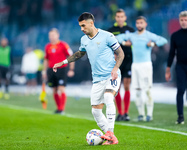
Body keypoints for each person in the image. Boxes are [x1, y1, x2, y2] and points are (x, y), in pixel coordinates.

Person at [53, 12, 124, 145]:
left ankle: (110, 132)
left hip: (111, 75)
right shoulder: (84, 39)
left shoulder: (107, 36)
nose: (82, 29)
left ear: (91, 23)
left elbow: (120, 53)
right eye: (80, 26)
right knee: (95, 111)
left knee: (108, 97)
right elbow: (80, 53)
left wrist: (115, 69)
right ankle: (111, 138)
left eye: (83, 26)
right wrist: (63, 62)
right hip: (97, 79)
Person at [116, 16, 167, 122]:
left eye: (141, 23)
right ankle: (141, 114)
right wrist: (125, 43)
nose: (139, 25)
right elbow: (119, 38)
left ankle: (149, 114)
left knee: (147, 89)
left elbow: (163, 40)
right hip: (135, 65)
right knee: (138, 90)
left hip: (146, 65)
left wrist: (153, 44)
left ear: (145, 24)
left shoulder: (149, 35)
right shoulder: (132, 36)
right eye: (138, 23)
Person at [165, 11, 187, 124]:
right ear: (179, 21)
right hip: (181, 66)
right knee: (180, 90)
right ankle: (180, 116)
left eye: (186, 20)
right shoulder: (175, 36)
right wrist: (168, 69)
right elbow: (171, 53)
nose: (184, 22)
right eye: (182, 20)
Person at [108, 9, 135, 121]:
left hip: (128, 60)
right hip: (116, 62)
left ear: (125, 18)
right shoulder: (110, 31)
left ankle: (126, 113)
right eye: (118, 16)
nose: (120, 18)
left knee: (127, 85)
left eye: (122, 16)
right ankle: (120, 113)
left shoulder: (130, 30)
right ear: (115, 18)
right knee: (117, 87)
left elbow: (134, 43)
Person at [42, 28, 75, 114]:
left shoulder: (63, 45)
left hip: (61, 69)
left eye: (53, 35)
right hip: (51, 70)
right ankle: (58, 108)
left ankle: (61, 109)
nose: (51, 37)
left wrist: (71, 69)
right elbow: (46, 60)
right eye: (50, 36)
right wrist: (44, 71)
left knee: (61, 88)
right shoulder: (47, 47)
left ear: (58, 35)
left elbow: (71, 56)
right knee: (54, 89)